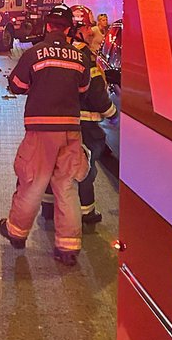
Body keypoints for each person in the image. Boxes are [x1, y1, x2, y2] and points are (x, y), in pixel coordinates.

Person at [0, 4, 91, 266]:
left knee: (33, 182)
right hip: (71, 130)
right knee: (67, 186)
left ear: (48, 25)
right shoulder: (79, 56)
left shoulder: (35, 53)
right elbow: (83, 89)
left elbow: (17, 86)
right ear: (69, 28)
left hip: (41, 130)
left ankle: (16, 232)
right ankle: (68, 248)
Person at [41, 19, 116, 226]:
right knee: (85, 168)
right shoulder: (84, 57)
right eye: (86, 28)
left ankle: (48, 208)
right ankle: (86, 212)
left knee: (54, 166)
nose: (91, 32)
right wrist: (113, 114)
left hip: (57, 122)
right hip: (84, 125)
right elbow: (97, 94)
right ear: (75, 29)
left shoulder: (60, 52)